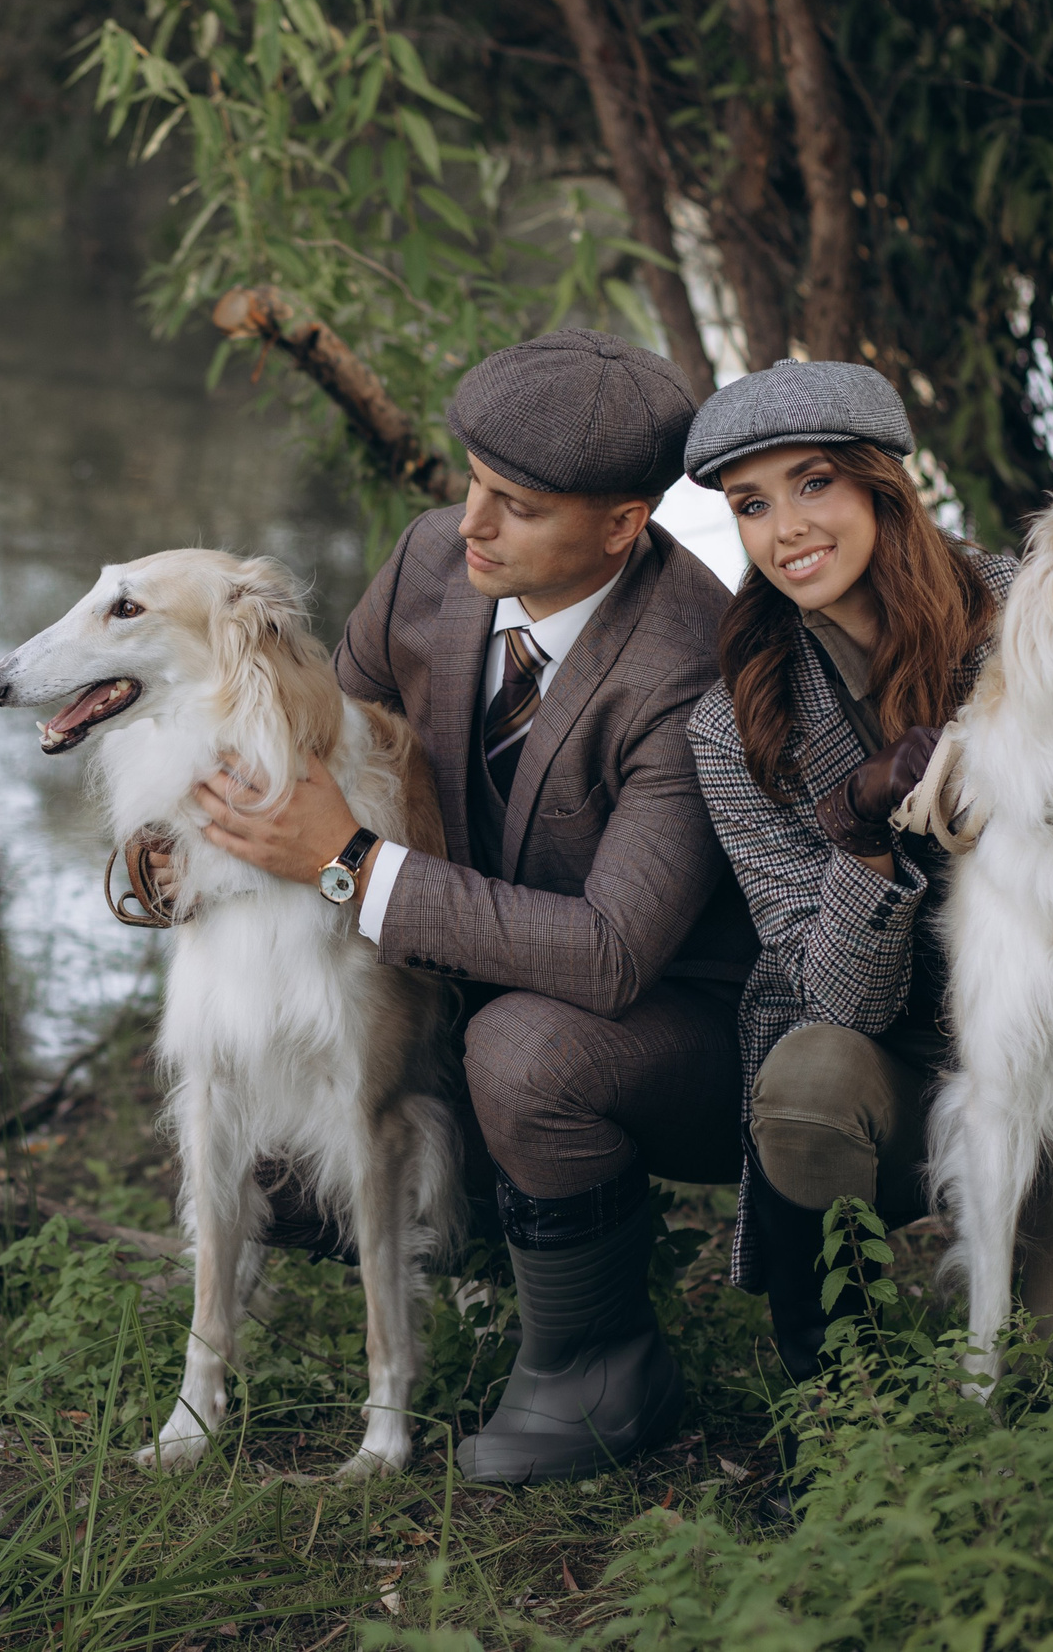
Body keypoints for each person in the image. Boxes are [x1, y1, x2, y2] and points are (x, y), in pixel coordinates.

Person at [171, 328, 757, 1483]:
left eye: (517, 506)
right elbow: (315, 752)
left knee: (524, 1049)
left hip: (681, 1031)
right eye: (473, 483)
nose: (471, 524)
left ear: (623, 527)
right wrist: (178, 858)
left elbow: (608, 953)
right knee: (296, 1116)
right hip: (471, 963)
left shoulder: (688, 663)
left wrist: (343, 859)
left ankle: (602, 1364)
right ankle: (489, 1257)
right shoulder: (438, 559)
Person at [680, 360, 1053, 1378]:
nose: (785, 528)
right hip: (901, 1060)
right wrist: (862, 828)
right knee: (801, 1084)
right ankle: (836, 1387)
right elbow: (831, 991)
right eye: (752, 505)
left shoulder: (1019, 593)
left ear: (882, 485)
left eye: (814, 483)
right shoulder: (734, 723)